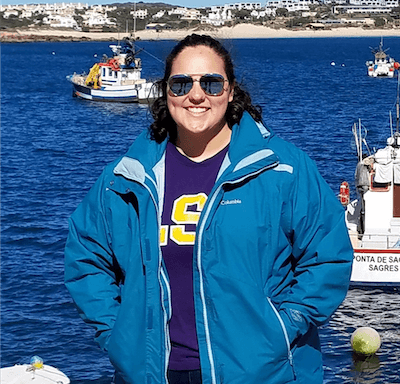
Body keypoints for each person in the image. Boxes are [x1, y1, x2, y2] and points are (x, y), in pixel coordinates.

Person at [65, 34, 353, 384]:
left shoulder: (282, 169)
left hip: (261, 373)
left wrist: (284, 326)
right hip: (153, 373)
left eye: (212, 84)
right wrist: (118, 336)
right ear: (165, 91)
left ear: (231, 91)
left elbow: (328, 257)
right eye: (181, 83)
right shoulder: (126, 177)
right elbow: (86, 258)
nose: (196, 95)